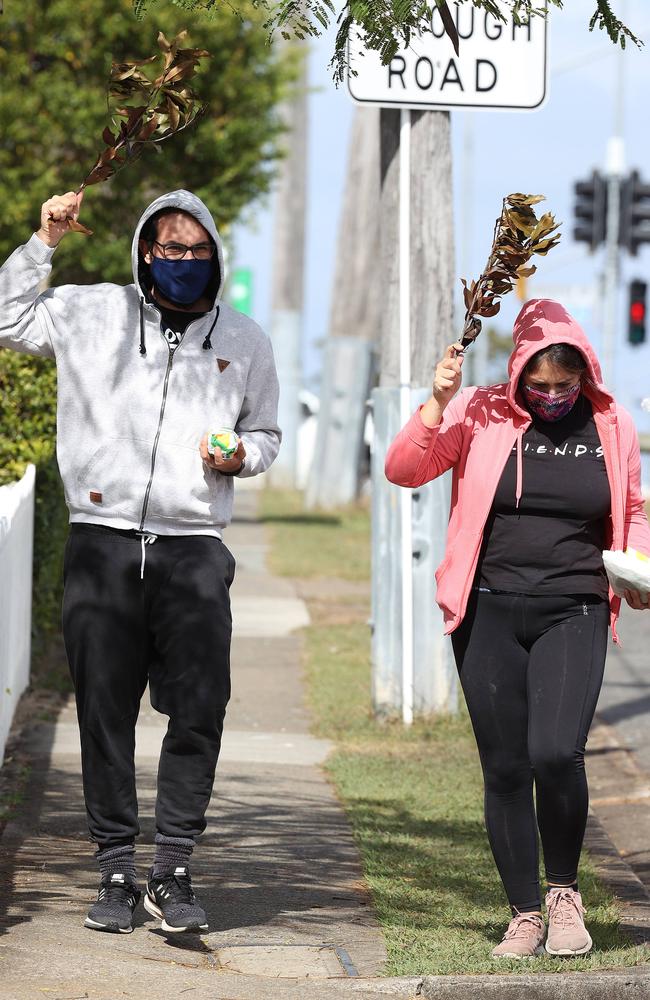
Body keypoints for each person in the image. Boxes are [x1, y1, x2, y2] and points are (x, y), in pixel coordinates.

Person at [0, 189, 281, 935]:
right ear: (144, 251)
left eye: (197, 250)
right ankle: (116, 869)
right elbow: (6, 320)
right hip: (103, 539)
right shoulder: (92, 312)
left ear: (214, 255)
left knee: (198, 708)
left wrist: (243, 453)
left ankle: (174, 867)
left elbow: (268, 434)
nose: (183, 262)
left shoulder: (245, 339)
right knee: (103, 711)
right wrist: (43, 243)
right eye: (169, 248)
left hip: (193, 548)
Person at [385, 298, 650, 959]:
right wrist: (435, 400)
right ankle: (524, 914)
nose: (552, 396)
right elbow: (403, 469)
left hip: (575, 608)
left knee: (558, 752)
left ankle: (564, 895)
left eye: (565, 385)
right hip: (488, 610)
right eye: (540, 385)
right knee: (505, 768)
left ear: (583, 376)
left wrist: (637, 565)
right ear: (518, 375)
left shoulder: (612, 421)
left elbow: (636, 507)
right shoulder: (480, 411)